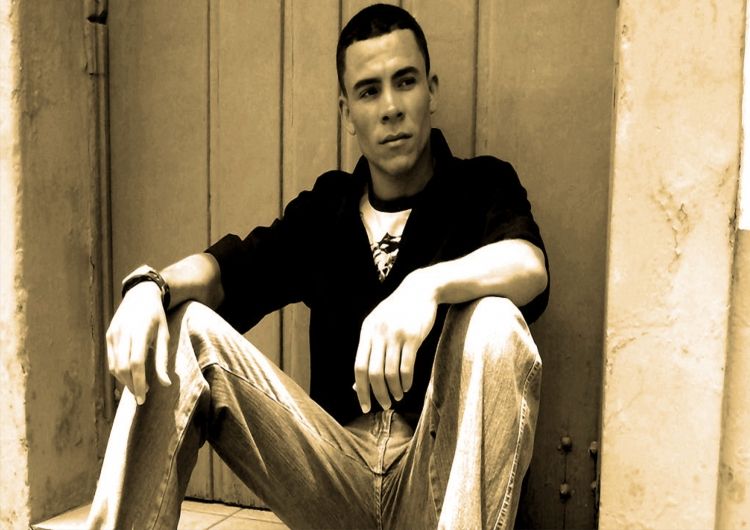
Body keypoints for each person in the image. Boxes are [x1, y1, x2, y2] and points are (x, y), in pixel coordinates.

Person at [87, 4, 549, 529]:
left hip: (439, 485)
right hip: (335, 479)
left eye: (405, 82)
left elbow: (529, 265)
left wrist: (426, 286)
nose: (391, 108)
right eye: (369, 91)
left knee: (495, 322)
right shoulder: (327, 209)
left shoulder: (480, 186)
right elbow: (227, 271)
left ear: (431, 91)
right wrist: (149, 286)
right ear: (347, 112)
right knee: (180, 325)